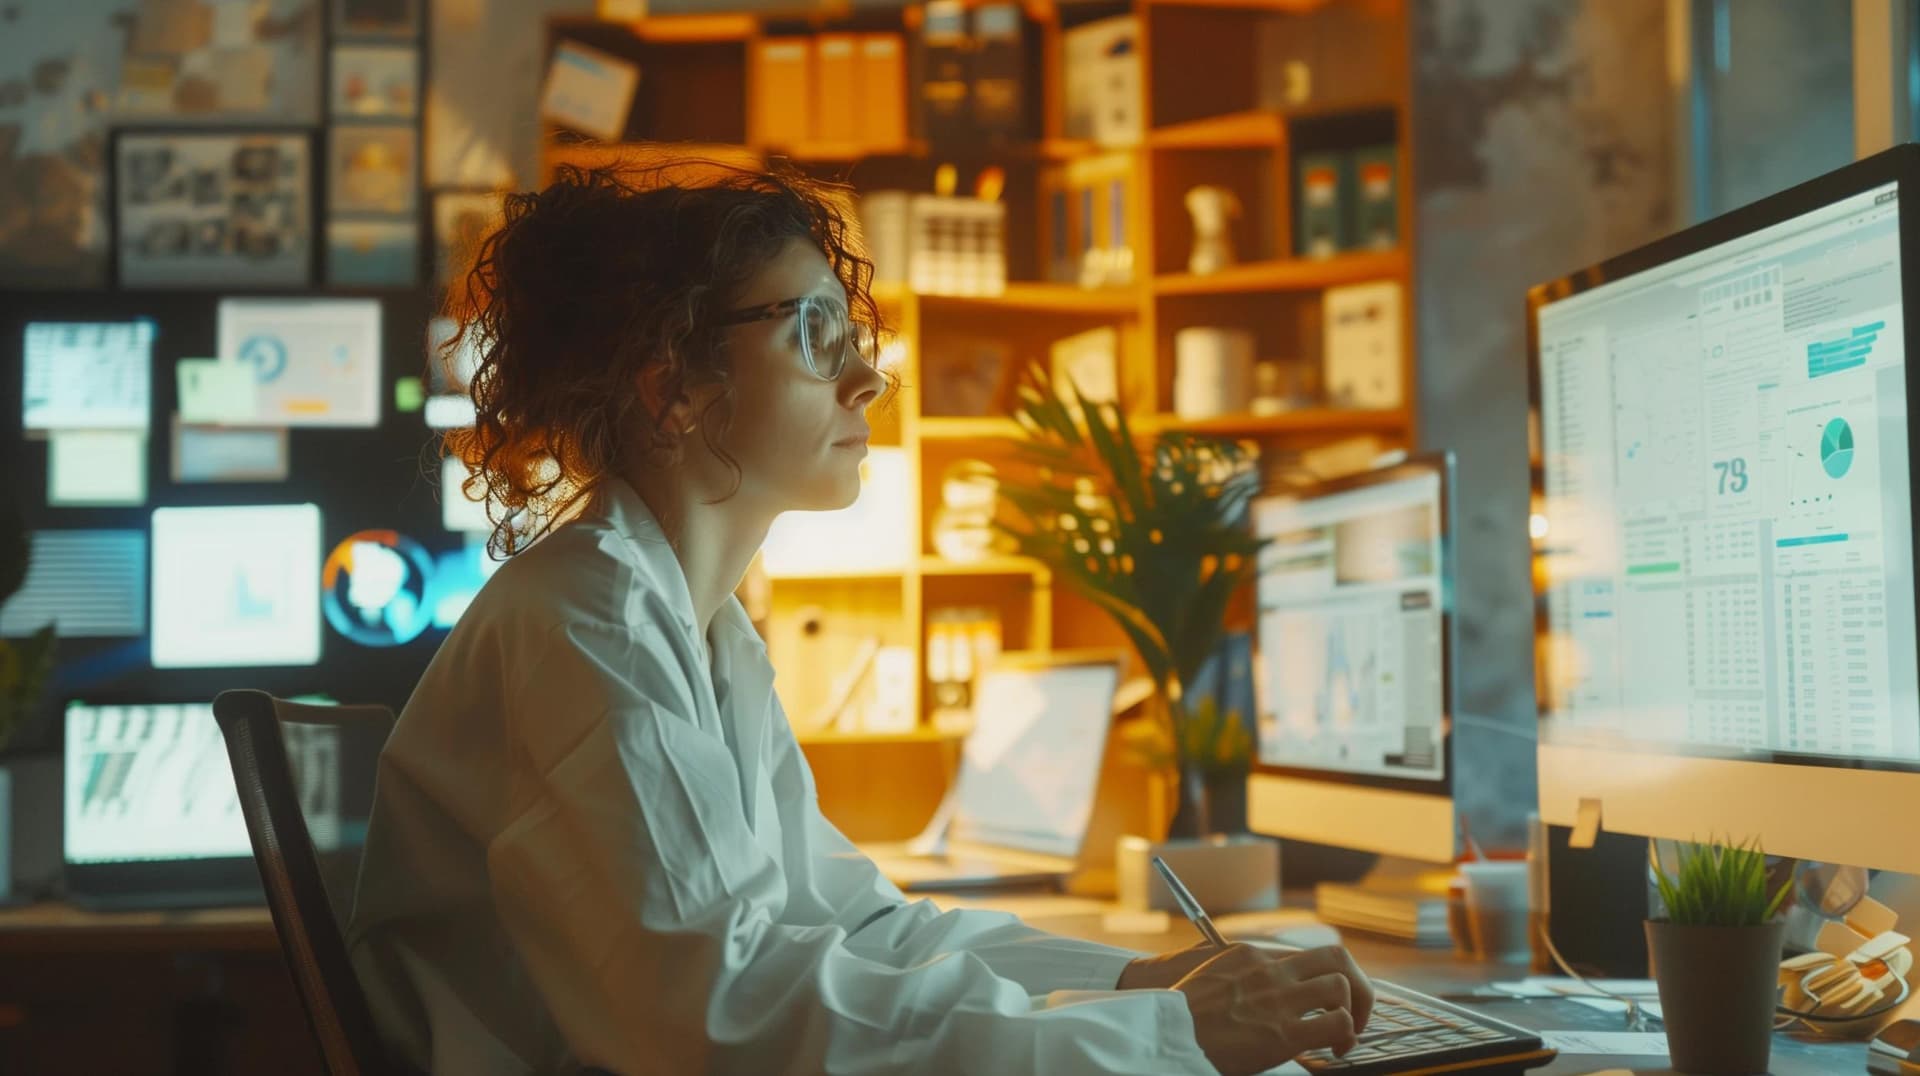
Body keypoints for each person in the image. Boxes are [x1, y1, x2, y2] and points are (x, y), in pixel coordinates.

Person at [346, 160, 1375, 1075]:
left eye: (853, 333)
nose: (866, 376)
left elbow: (858, 924)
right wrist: (1170, 1034)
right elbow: (719, 1020)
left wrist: (1145, 977)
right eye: (811, 333)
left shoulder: (694, 626)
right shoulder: (589, 622)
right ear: (673, 390)